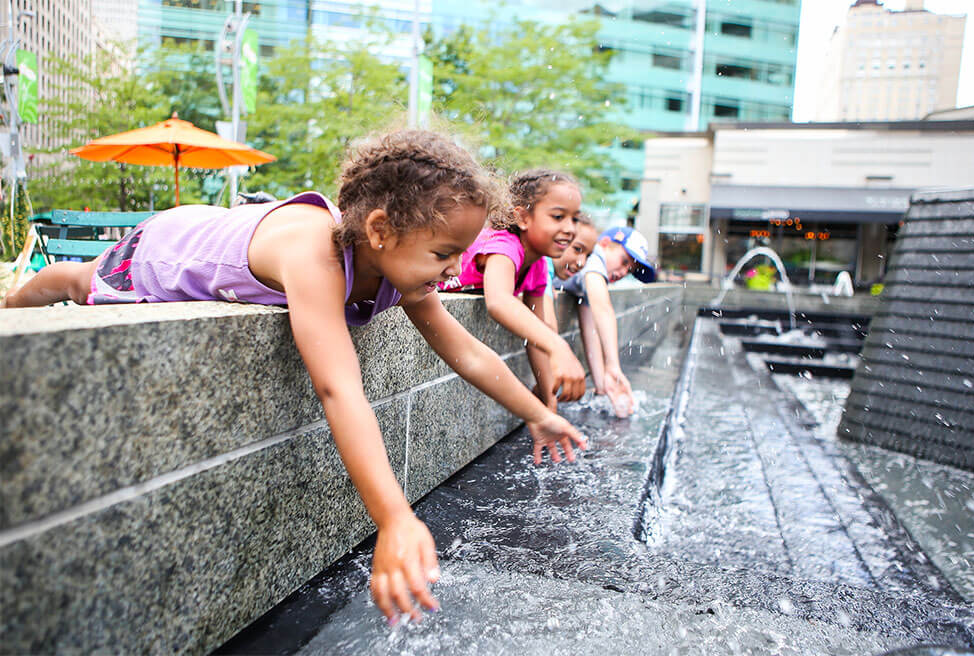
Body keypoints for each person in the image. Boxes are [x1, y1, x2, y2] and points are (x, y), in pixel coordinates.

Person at [3, 131, 587, 624]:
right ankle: (17, 303)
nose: (457, 268)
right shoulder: (318, 255)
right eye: (443, 253)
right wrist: (393, 517)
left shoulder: (402, 265)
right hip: (170, 248)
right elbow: (338, 387)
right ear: (380, 230)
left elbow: (468, 353)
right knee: (80, 283)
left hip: (225, 227)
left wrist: (537, 413)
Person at [439, 169, 587, 411]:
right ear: (523, 218)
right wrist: (559, 346)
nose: (570, 228)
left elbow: (536, 334)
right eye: (559, 217)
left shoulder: (538, 263)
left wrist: (549, 406)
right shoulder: (504, 246)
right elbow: (499, 301)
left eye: (575, 219)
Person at [555, 226, 656, 417]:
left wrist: (603, 386)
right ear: (604, 244)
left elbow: (590, 329)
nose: (623, 271)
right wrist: (613, 366)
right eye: (625, 261)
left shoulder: (589, 275)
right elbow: (602, 308)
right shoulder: (593, 258)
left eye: (630, 270)